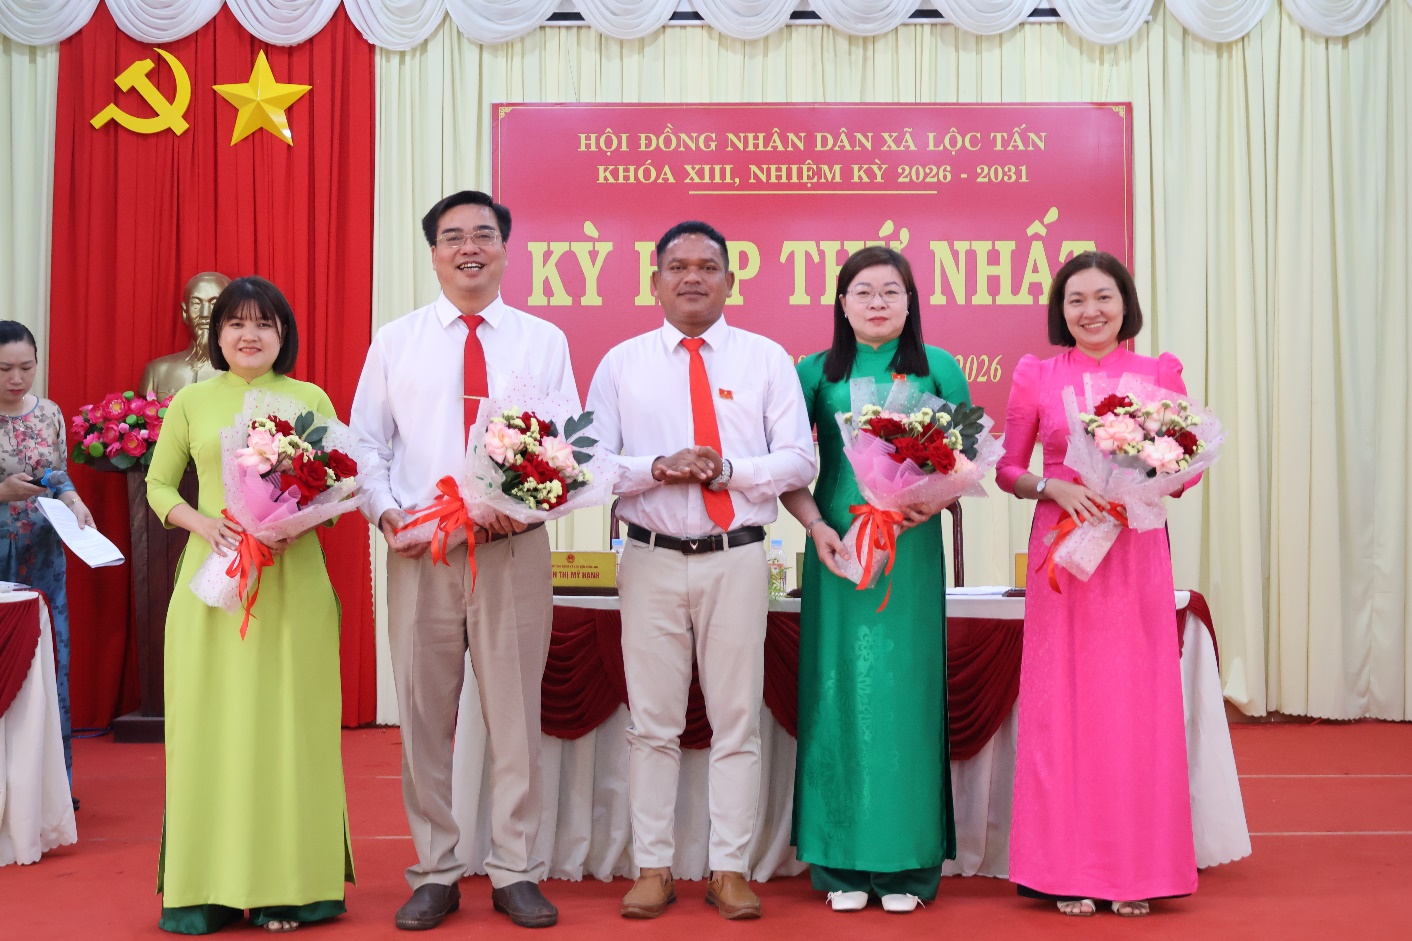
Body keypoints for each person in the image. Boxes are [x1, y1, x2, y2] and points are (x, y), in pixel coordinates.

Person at [350, 191, 574, 931]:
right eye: (453, 237)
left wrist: (529, 507)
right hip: (423, 552)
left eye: (483, 234)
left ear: (506, 248)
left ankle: (515, 870)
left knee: (515, 717)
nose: (469, 247)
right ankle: (436, 870)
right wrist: (384, 512)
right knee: (423, 716)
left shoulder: (543, 340)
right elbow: (366, 442)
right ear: (434, 254)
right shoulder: (397, 340)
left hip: (511, 549)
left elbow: (566, 447)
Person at [586, 221, 816, 921]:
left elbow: (800, 460)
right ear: (654, 281)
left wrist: (729, 469)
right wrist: (656, 467)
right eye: (678, 266)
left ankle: (730, 869)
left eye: (708, 266)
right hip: (649, 557)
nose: (693, 276)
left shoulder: (765, 359)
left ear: (729, 281)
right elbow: (590, 467)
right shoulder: (621, 363)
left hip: (737, 556)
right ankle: (652, 867)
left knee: (736, 720)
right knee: (652, 723)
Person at [146, 276, 353, 933]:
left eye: (264, 323)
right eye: (236, 323)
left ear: (283, 333)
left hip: (294, 585)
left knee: (291, 729)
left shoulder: (309, 398)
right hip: (214, 585)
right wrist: (203, 523)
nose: (249, 334)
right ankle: (205, 888)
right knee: (210, 729)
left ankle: (289, 888)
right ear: (217, 335)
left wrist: (296, 519)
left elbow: (339, 489)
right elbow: (157, 485)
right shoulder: (191, 401)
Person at [996, 251, 1198, 917]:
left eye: (1103, 297)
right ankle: (1065, 868)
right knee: (1064, 705)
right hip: (1064, 550)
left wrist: (1154, 470)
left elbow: (1185, 469)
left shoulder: (1157, 373)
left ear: (1125, 304)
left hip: (1134, 550)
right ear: (1061, 310)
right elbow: (1007, 468)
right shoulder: (1037, 375)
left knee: (1135, 705)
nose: (1091, 310)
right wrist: (1050, 485)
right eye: (1076, 299)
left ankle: (1136, 870)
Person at [779, 246, 969, 914]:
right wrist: (814, 527)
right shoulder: (812, 372)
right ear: (841, 303)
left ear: (911, 302)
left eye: (892, 290)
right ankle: (840, 863)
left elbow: (966, 458)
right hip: (837, 548)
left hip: (910, 551)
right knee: (836, 691)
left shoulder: (938, 366)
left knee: (906, 695)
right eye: (863, 291)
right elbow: (787, 467)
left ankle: (907, 866)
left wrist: (930, 503)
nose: (878, 302)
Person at [0, 320, 93, 788]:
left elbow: (56, 474)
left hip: (44, 553)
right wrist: (3, 492)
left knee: (49, 658)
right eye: (4, 369)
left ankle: (52, 788)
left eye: (26, 367)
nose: (16, 379)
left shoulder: (50, 413)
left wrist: (73, 500)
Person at [140, 271, 231, 397]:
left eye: (214, 303)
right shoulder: (157, 373)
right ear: (185, 312)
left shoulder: (247, 374)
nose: (205, 314)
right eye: (196, 303)